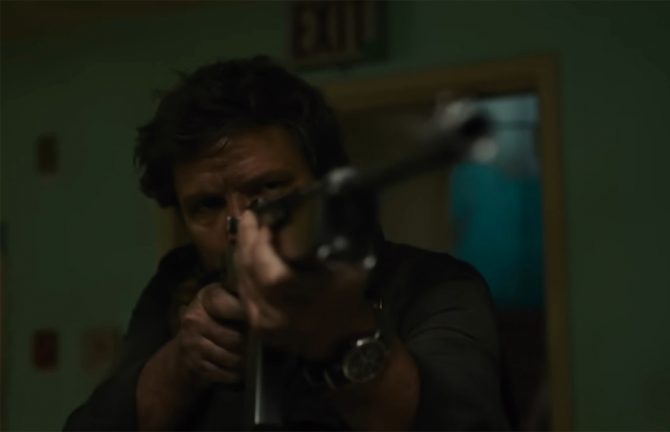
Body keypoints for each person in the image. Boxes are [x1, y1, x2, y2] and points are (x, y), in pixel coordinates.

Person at [64, 56, 510, 431]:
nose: (240, 223)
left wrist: (340, 336)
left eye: (270, 188)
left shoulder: (434, 285)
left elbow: (466, 421)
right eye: (207, 205)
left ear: (323, 181)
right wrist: (182, 364)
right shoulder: (177, 284)